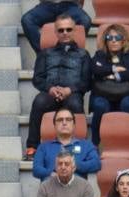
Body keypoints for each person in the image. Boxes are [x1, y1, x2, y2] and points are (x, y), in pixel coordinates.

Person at [28, 17, 92, 149]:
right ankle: (32, 147)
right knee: (39, 101)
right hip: (50, 94)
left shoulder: (83, 54)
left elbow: (86, 82)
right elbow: (37, 79)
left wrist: (69, 90)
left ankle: (78, 148)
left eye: (68, 29)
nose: (65, 33)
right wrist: (50, 88)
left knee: (75, 104)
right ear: (56, 33)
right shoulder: (45, 53)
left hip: (72, 94)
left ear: (74, 31)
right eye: (61, 30)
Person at [86, 23, 129, 144]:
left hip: (127, 94)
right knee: (100, 105)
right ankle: (95, 144)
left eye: (118, 38)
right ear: (105, 40)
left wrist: (110, 75)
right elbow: (95, 70)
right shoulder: (99, 55)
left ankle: (128, 143)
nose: (114, 41)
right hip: (103, 94)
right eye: (110, 38)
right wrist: (115, 69)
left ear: (123, 40)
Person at [32, 107, 99, 183]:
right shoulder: (44, 147)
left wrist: (76, 165)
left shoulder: (85, 145)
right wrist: (52, 173)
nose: (64, 123)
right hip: (52, 186)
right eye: (60, 120)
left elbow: (96, 163)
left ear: (74, 125)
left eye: (68, 119)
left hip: (76, 188)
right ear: (55, 125)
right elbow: (36, 169)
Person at [20, 0, 90, 53]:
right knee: (27, 20)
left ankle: (72, 54)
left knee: (85, 20)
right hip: (46, 5)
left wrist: (80, 5)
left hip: (69, 5)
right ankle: (44, 55)